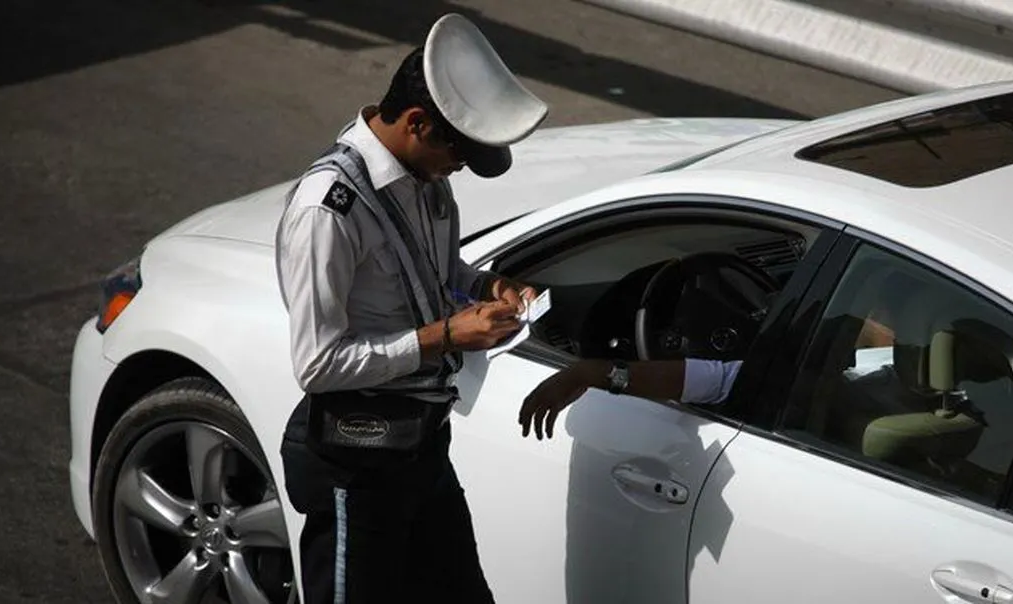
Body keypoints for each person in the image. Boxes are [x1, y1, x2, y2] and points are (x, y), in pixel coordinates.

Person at [275, 14, 548, 604]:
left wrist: (485, 286)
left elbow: (435, 274)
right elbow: (317, 365)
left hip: (422, 444)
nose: (461, 168)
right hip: (358, 459)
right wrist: (445, 335)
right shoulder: (330, 209)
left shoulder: (427, 180)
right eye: (459, 153)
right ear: (418, 123)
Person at [519, 303, 899, 440]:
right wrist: (586, 373)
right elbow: (712, 379)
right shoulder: (905, 383)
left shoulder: (799, 385)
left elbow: (714, 381)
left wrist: (584, 372)